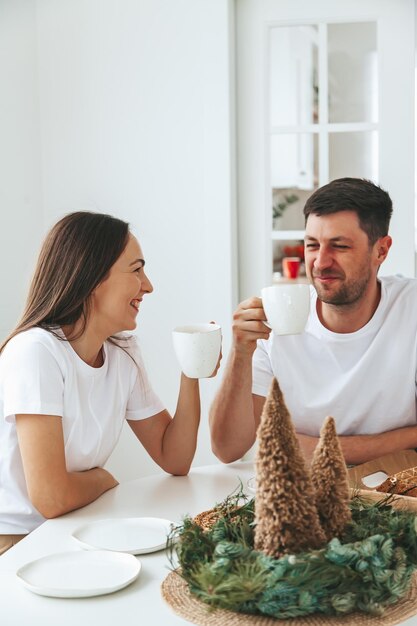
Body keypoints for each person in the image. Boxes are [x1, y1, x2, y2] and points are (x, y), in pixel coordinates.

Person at [0, 211, 217, 554]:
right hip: (17, 542)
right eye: (136, 270)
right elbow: (52, 498)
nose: (148, 285)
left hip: (74, 525)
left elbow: (174, 458)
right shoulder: (36, 351)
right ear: (93, 277)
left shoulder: (121, 350)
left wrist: (190, 374)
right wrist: (103, 478)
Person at [210, 177, 417, 467]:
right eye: (311, 245)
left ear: (381, 250)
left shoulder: (411, 309)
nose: (320, 262)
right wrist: (240, 353)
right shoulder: (275, 320)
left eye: (339, 246)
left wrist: (305, 446)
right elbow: (227, 449)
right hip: (300, 496)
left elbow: (279, 447)